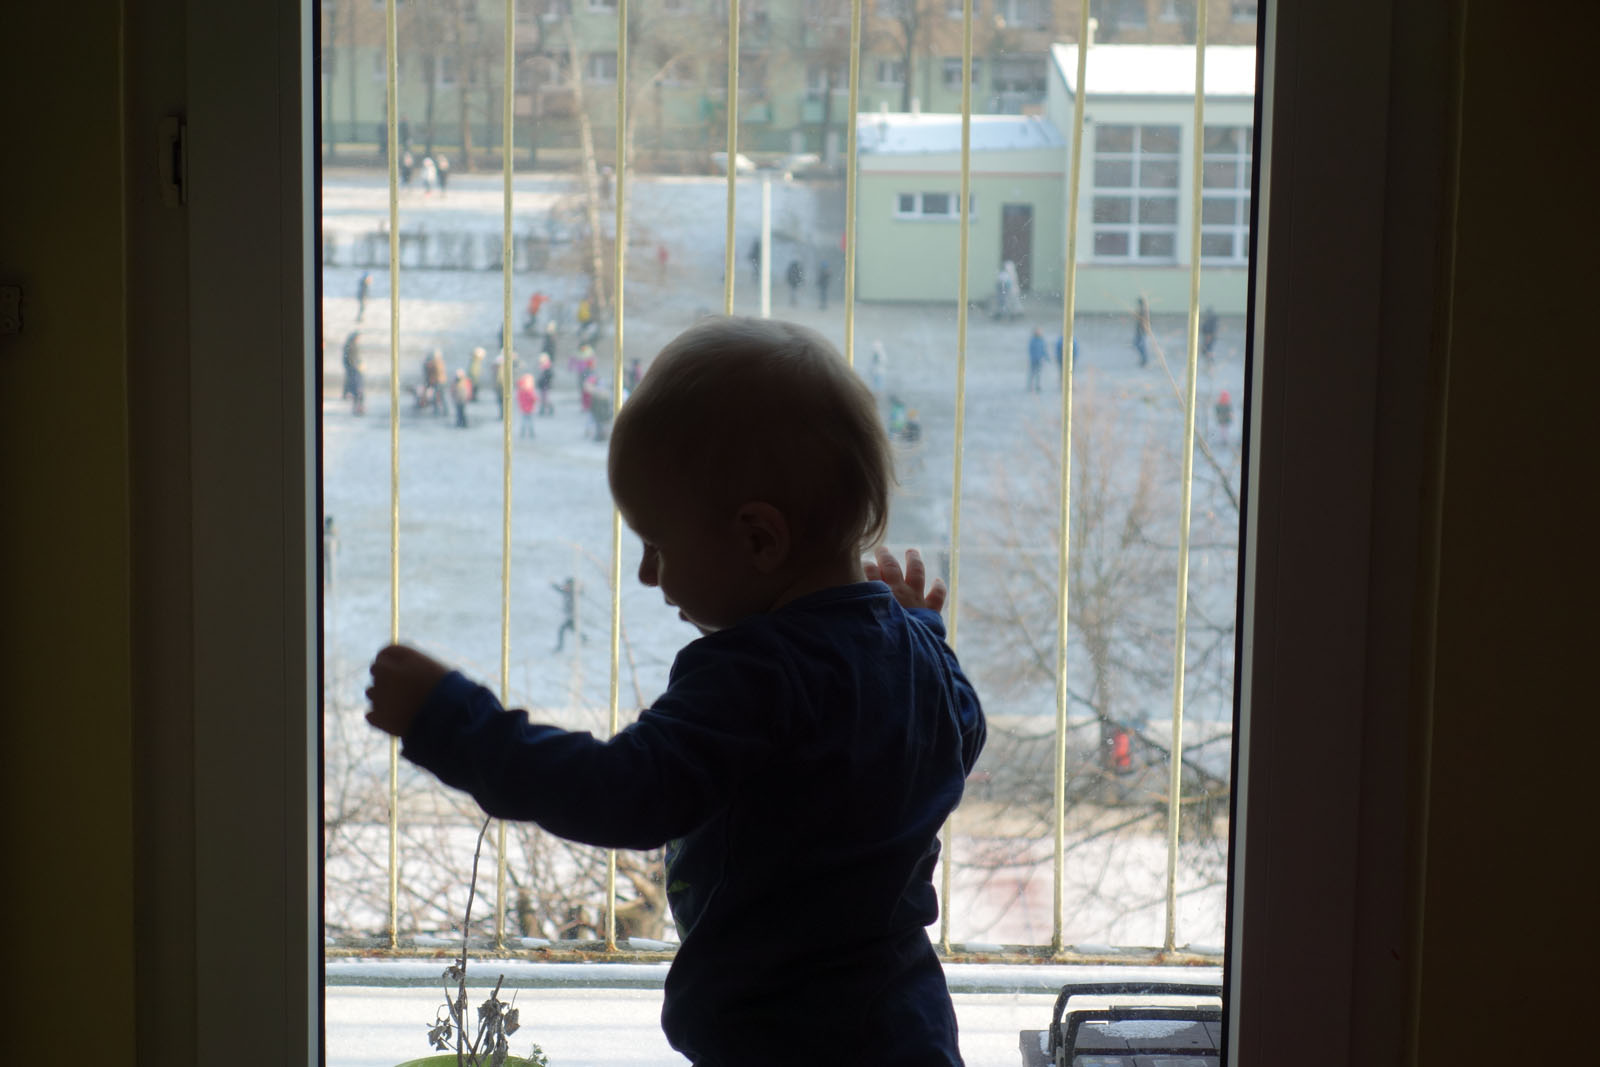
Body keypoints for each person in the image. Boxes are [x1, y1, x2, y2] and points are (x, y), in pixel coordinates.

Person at [365, 316, 985, 1067]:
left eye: (657, 545)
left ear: (760, 539)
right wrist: (925, 631)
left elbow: (623, 792)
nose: (646, 574)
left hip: (780, 1038)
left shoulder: (756, 676)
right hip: (909, 1022)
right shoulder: (911, 652)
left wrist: (449, 720)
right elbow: (963, 734)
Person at [549, 576, 579, 652]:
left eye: (567, 585)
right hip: (570, 616)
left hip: (571, 616)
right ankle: (585, 639)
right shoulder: (567, 591)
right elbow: (560, 589)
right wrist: (554, 585)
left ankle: (559, 647)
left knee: (562, 630)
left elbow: (580, 592)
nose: (565, 586)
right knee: (574, 630)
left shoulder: (572, 593)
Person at [515, 372, 537, 438]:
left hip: (524, 408)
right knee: (529, 421)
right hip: (529, 408)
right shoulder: (528, 391)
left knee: (524, 420)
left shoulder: (521, 391)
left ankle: (523, 432)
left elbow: (519, 399)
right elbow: (533, 398)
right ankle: (531, 432)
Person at [1133, 295, 1152, 367]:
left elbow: (1144, 322)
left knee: (1140, 345)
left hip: (1141, 331)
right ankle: (1143, 359)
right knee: (1138, 345)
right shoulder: (1142, 311)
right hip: (1139, 330)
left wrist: (1144, 329)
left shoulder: (1143, 311)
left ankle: (1144, 360)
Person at [1027, 327, 1047, 393]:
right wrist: (1032, 358)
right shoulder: (1032, 341)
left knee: (1039, 373)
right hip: (1033, 360)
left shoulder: (1041, 341)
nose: (1039, 333)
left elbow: (1044, 350)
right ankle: (1030, 386)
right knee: (1032, 373)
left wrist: (1047, 358)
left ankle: (1038, 385)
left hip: (1040, 360)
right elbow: (1030, 350)